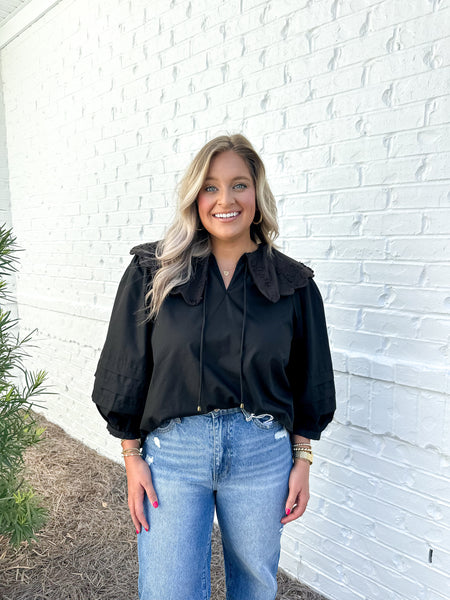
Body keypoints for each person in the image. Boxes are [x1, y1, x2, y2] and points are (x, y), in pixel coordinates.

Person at [91, 134, 336, 600]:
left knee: (255, 588)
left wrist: (302, 459)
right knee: (168, 590)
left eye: (239, 185)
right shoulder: (154, 271)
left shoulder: (294, 285)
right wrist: (131, 457)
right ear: (195, 197)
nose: (225, 199)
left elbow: (310, 377)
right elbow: (127, 366)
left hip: (262, 455)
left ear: (258, 196)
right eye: (210, 187)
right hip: (175, 456)